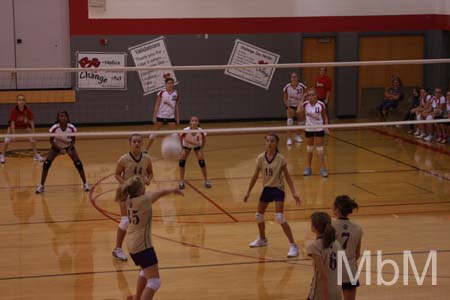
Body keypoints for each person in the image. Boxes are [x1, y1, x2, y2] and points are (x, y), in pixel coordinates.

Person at [117, 176, 183, 300]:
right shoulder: (144, 200)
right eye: (143, 186)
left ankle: (137, 298)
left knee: (144, 271)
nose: (145, 187)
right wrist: (174, 190)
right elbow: (161, 192)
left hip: (131, 243)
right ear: (139, 191)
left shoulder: (128, 199)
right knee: (154, 282)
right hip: (142, 245)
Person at [243, 133, 301, 257]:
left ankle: (293, 245)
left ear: (276, 143)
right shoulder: (260, 158)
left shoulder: (281, 159)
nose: (269, 143)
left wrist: (294, 193)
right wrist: (248, 192)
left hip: (278, 189)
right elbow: (254, 176)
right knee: (258, 216)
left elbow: (288, 177)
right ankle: (262, 239)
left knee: (279, 217)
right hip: (267, 189)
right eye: (267, 141)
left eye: (272, 141)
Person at [113, 134, 154, 261]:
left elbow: (151, 173)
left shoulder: (146, 158)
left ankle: (139, 247)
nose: (137, 144)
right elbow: (117, 174)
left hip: (140, 195)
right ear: (130, 143)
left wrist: (147, 179)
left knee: (139, 223)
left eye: (139, 142)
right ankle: (117, 249)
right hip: (126, 193)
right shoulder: (123, 159)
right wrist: (125, 184)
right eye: (134, 141)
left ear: (142, 144)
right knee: (125, 221)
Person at [36, 111, 89, 193]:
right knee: (46, 163)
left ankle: (85, 184)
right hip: (56, 147)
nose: (63, 118)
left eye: (64, 116)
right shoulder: (54, 128)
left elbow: (73, 139)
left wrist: (70, 148)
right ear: (58, 118)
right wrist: (60, 149)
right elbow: (51, 141)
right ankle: (41, 186)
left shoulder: (71, 128)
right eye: (61, 116)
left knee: (78, 163)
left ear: (67, 118)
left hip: (68, 146)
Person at [332, 195, 362, 300]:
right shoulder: (358, 228)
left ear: (337, 209)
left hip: (334, 269)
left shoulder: (331, 225)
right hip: (350, 269)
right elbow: (357, 254)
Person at [307, 212, 342, 300]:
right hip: (336, 290)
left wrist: (325, 297)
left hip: (321, 292)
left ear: (314, 227)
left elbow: (323, 275)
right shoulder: (337, 243)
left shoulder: (314, 246)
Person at [0, 94, 43, 163]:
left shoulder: (28, 110)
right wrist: (13, 135)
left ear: (25, 102)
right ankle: (2, 155)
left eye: (23, 100)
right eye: (19, 100)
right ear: (17, 102)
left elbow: (32, 122)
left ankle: (36, 155)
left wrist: (34, 133)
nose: (21, 101)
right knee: (7, 139)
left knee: (32, 138)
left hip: (24, 127)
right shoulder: (14, 110)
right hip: (14, 127)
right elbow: (12, 123)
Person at [298, 88, 329, 177]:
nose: (311, 97)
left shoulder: (321, 104)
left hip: (319, 128)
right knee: (309, 149)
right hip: (309, 129)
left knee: (320, 149)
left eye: (313, 95)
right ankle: (308, 168)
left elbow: (325, 116)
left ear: (316, 96)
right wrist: (303, 97)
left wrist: (326, 127)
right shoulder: (305, 104)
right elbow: (298, 111)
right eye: (309, 95)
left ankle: (323, 168)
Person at [145, 76, 179, 152]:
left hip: (170, 116)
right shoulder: (162, 92)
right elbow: (157, 104)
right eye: (168, 83)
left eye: (171, 83)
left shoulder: (175, 93)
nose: (170, 85)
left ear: (173, 84)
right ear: (165, 84)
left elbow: (176, 106)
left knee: (175, 134)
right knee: (154, 134)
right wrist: (154, 116)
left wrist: (177, 117)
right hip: (160, 116)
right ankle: (146, 149)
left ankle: (179, 150)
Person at [178, 116, 211, 189]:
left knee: (201, 162)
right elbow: (180, 137)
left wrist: (201, 149)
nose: (194, 122)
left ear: (198, 123)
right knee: (182, 162)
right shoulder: (185, 130)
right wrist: (182, 148)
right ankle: (181, 181)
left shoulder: (201, 131)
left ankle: (206, 180)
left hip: (197, 146)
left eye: (196, 121)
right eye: (192, 121)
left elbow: (204, 140)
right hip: (186, 146)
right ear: (190, 122)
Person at [282, 72, 306, 145]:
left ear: (297, 78)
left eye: (295, 77)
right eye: (292, 77)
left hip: (299, 105)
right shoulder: (287, 87)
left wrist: (302, 105)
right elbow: (284, 98)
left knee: (300, 121)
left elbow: (305, 96)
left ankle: (298, 136)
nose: (294, 78)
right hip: (291, 105)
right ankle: (289, 138)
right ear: (290, 78)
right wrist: (288, 107)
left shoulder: (302, 86)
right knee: (289, 121)